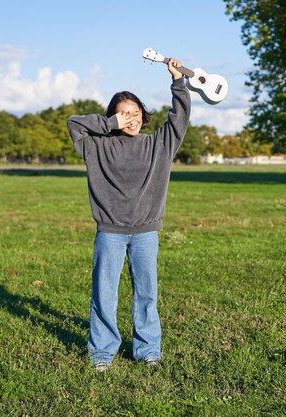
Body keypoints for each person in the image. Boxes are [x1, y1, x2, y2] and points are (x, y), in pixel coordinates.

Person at [66, 58, 190, 372]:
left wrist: (178, 82)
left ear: (143, 116)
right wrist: (111, 125)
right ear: (113, 117)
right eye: (123, 113)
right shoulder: (96, 147)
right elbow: (74, 123)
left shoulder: (159, 145)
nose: (130, 118)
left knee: (146, 294)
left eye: (134, 112)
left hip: (147, 231)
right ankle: (102, 353)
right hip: (110, 231)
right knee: (104, 294)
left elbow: (179, 118)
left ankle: (148, 350)